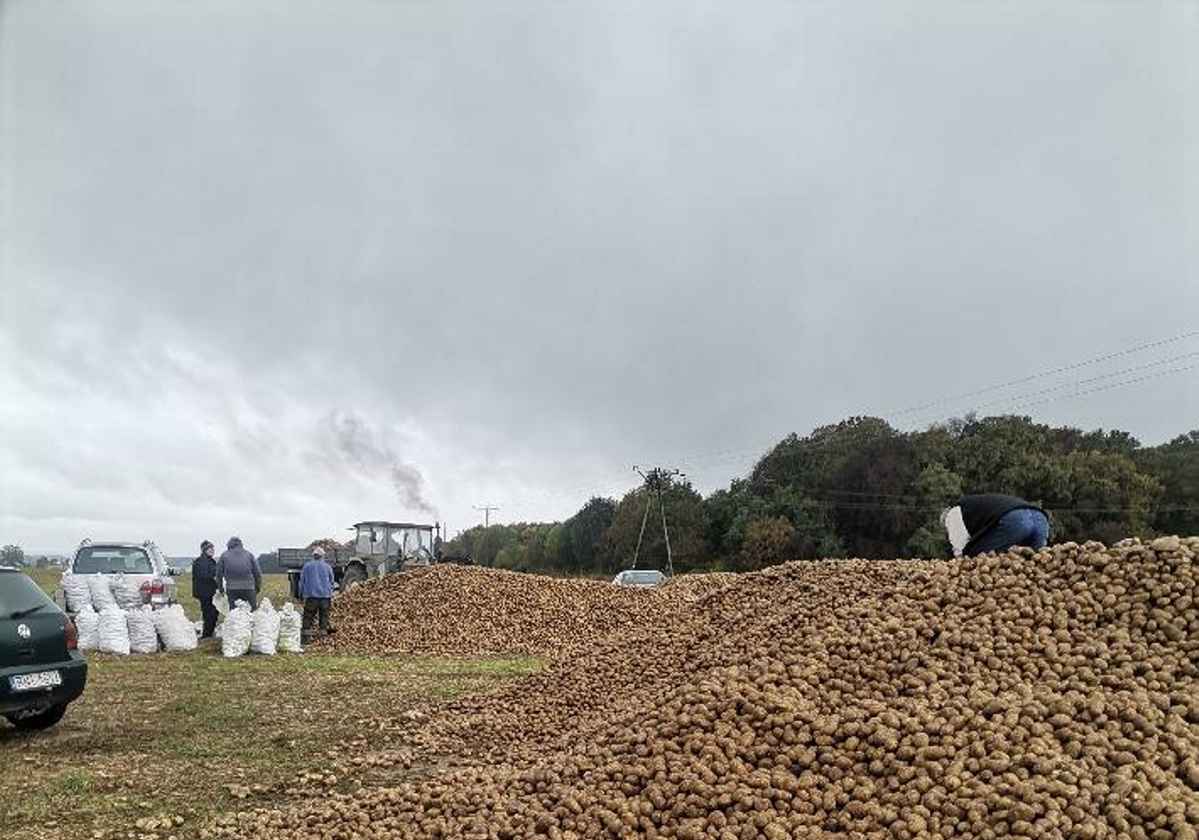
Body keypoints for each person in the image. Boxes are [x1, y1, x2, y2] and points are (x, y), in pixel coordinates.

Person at [942, 493, 1051, 558]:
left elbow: (960, 550)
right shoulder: (975, 507)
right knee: (1035, 563)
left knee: (975, 557)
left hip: (1015, 519)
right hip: (1041, 519)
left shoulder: (952, 513)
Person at [299, 546, 335, 642]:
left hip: (311, 597)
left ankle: (306, 639)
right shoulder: (327, 567)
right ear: (322, 556)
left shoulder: (307, 566)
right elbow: (332, 581)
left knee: (308, 617)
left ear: (313, 556)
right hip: (325, 597)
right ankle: (322, 638)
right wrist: (330, 592)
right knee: (324, 617)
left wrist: (301, 595)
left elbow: (302, 582)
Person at [217, 536, 262, 610]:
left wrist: (221, 589)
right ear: (241, 544)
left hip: (232, 589)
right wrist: (257, 588)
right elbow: (257, 573)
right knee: (252, 612)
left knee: (234, 614)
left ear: (229, 545)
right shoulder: (249, 555)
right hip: (249, 588)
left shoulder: (224, 555)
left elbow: (218, 574)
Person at [192, 540, 220, 639]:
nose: (212, 550)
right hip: (205, 592)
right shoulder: (201, 561)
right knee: (209, 613)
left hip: (209, 591)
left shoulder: (210, 560)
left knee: (213, 612)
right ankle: (207, 635)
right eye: (210, 548)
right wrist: (215, 577)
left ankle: (209, 632)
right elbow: (204, 575)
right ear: (204, 550)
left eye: (213, 548)